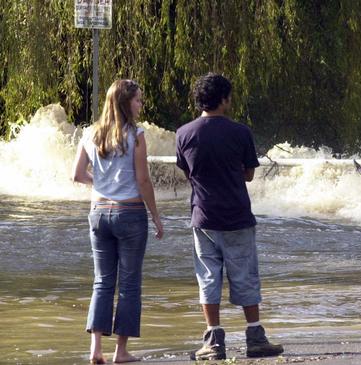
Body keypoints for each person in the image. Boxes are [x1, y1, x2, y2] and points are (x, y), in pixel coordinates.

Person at [175, 73, 283, 360]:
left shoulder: (184, 134)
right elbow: (248, 173)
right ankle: (255, 337)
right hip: (236, 216)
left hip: (203, 216)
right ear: (223, 99)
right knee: (245, 275)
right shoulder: (240, 132)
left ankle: (213, 341)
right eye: (229, 97)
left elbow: (188, 173)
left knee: (208, 278)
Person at [72, 79, 164, 364]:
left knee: (102, 282)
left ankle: (95, 349)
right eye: (137, 100)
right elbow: (143, 179)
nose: (140, 105)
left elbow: (77, 174)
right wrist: (156, 216)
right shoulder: (135, 134)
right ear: (126, 103)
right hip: (130, 213)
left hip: (99, 212)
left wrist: (101, 183)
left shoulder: (91, 133)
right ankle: (120, 352)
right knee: (129, 283)